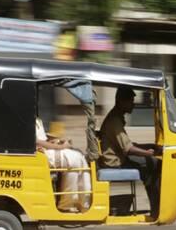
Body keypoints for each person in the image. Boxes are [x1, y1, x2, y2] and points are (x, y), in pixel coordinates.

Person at [99, 86, 161, 218]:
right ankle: (157, 209)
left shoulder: (117, 117)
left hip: (119, 159)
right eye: (131, 101)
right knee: (154, 164)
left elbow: (128, 144)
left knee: (152, 163)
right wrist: (149, 153)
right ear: (121, 101)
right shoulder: (114, 120)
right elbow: (128, 149)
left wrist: (151, 146)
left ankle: (157, 207)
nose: (133, 104)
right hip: (114, 163)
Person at [36, 117, 91, 212]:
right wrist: (60, 146)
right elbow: (36, 141)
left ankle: (80, 202)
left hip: (44, 151)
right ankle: (69, 204)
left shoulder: (37, 119)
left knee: (79, 155)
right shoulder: (26, 117)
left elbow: (41, 140)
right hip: (40, 155)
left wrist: (56, 142)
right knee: (75, 159)